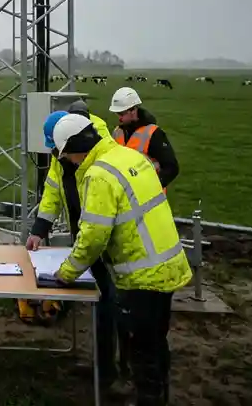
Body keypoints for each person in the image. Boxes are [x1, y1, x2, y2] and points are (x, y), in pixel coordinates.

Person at [50, 113, 192, 406]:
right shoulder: (128, 156)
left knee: (141, 350)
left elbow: (93, 237)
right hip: (169, 265)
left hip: (141, 274)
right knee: (156, 342)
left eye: (67, 156)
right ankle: (159, 396)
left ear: (75, 148)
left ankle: (149, 400)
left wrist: (67, 272)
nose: (69, 162)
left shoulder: (98, 174)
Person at [25, 109, 122, 391]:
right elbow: (52, 192)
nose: (58, 156)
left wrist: (70, 268)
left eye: (59, 150)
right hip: (88, 234)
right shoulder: (63, 156)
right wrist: (39, 229)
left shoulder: (102, 158)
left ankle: (114, 373)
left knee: (113, 306)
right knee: (101, 305)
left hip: (109, 241)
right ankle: (102, 367)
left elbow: (102, 221)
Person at [109, 87, 180, 190]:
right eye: (117, 114)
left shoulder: (153, 133)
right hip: (125, 194)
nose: (119, 118)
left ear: (133, 110)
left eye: (121, 114)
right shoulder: (117, 132)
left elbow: (172, 168)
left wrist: (152, 187)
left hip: (150, 198)